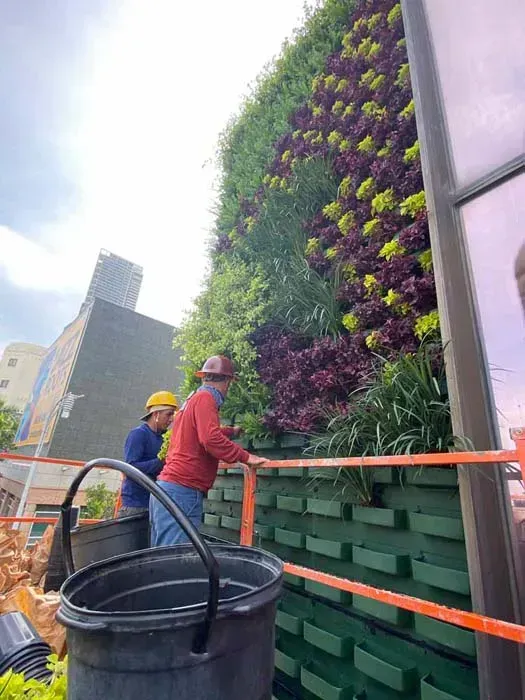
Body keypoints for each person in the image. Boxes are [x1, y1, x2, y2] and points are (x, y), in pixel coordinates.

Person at [150, 356, 267, 545]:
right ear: (227, 381)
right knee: (175, 558)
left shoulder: (192, 400)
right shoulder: (206, 398)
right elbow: (210, 438)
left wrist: (231, 431)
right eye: (230, 384)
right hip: (182, 490)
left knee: (162, 555)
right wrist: (246, 457)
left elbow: (200, 432)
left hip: (168, 488)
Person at [118, 391, 178, 517]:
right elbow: (131, 468)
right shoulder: (139, 434)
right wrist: (160, 462)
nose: (171, 419)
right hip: (135, 505)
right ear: (156, 414)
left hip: (155, 503)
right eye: (169, 414)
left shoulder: (165, 437)